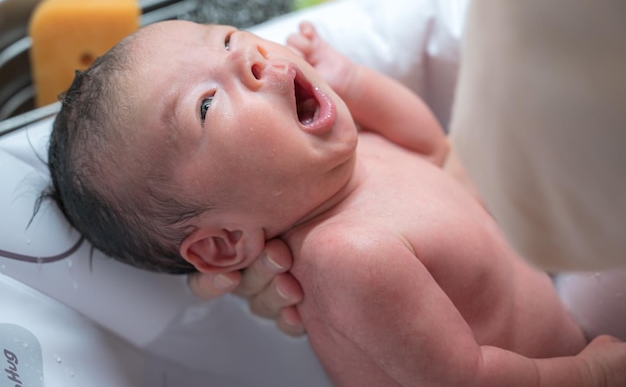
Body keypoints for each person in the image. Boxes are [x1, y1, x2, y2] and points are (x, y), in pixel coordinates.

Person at [46, 20, 626, 386]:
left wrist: (352, 80)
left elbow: (434, 148)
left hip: (562, 315)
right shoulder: (348, 254)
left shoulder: (342, 160)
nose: (247, 56)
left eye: (225, 36)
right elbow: (463, 377)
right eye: (203, 105)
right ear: (223, 243)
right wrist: (588, 375)